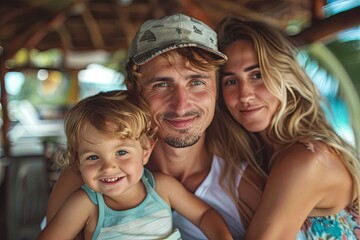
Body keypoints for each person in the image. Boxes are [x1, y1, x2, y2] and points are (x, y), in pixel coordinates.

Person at [45, 13, 259, 239]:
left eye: (197, 82)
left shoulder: (243, 183)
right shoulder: (84, 179)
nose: (181, 104)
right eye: (162, 84)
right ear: (133, 92)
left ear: (217, 89)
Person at [215, 15, 360, 239]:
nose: (244, 95)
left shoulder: (307, 159)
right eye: (231, 81)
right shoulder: (264, 158)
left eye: (257, 75)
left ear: (284, 75)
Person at [39, 90, 233, 240]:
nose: (108, 167)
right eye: (92, 157)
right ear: (78, 163)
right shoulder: (84, 204)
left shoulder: (162, 188)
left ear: (146, 151)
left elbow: (204, 215)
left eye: (121, 153)